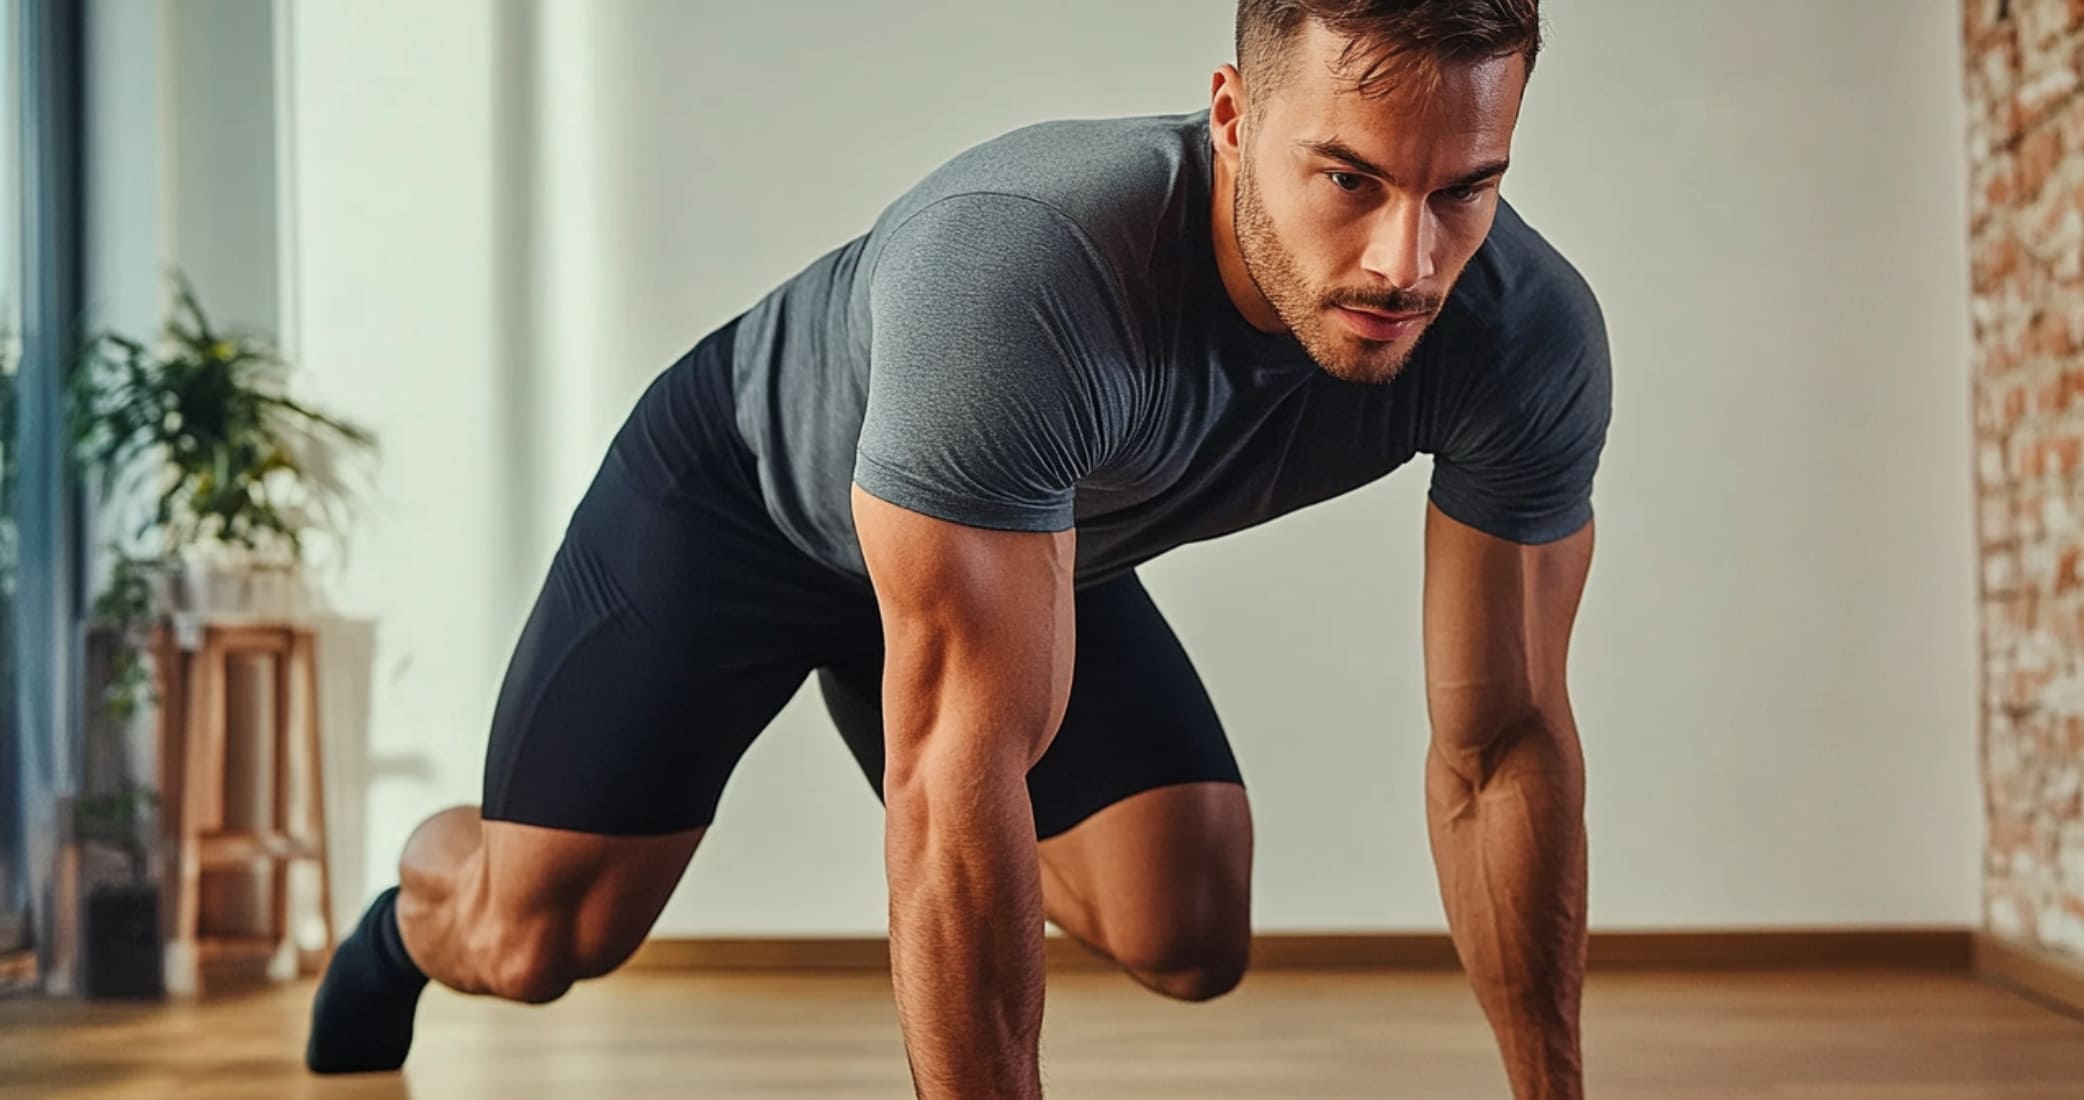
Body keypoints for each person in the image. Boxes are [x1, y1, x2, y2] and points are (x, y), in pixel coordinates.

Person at [304, 1, 1607, 1096]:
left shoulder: (1518, 338)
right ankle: (403, 924)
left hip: (1011, 549)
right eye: (1351, 179)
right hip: (743, 507)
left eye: (1465, 189)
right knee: (536, 940)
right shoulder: (1026, 271)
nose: (1407, 261)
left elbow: (1498, 753)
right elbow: (952, 786)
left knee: (1187, 926)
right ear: (1231, 116)